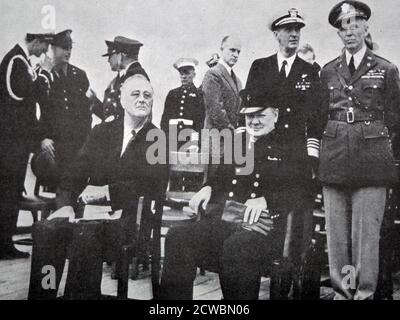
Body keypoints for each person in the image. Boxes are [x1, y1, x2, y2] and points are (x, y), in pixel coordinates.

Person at [159, 89, 309, 300]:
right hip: (226, 223)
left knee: (237, 246)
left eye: (260, 115)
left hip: (265, 231)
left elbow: (304, 190)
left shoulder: (291, 144)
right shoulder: (238, 141)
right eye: (249, 116)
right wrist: (208, 187)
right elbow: (220, 178)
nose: (254, 122)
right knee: (178, 237)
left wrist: (268, 200)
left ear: (275, 115)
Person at [28, 75, 168, 299]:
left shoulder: (157, 138)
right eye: (136, 94)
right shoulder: (102, 132)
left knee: (86, 236)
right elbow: (74, 174)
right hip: (89, 216)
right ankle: (45, 292)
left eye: (147, 95)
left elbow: (152, 183)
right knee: (47, 230)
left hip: (128, 221)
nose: (142, 99)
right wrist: (65, 205)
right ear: (122, 99)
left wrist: (107, 192)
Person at [319, 0, 400, 300]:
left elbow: (395, 120)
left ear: (366, 26)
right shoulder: (327, 72)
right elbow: (318, 118)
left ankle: (364, 294)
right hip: (335, 159)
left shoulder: (386, 69)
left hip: (372, 162)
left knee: (366, 239)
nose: (349, 29)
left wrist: (385, 155)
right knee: (338, 239)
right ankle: (343, 293)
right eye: (343, 25)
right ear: (338, 33)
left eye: (355, 22)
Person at [244, 8, 323, 292]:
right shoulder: (260, 67)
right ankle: (265, 268)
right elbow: (251, 112)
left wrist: (312, 157)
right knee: (264, 209)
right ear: (276, 34)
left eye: (297, 29)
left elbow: (316, 119)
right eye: (288, 29)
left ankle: (289, 275)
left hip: (296, 157)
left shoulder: (310, 71)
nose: (293, 34)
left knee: (295, 219)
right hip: (265, 154)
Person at [0, 31, 54, 259]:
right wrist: (45, 74)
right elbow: (22, 95)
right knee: (7, 194)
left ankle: (4, 244)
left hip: (14, 144)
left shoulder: (20, 61)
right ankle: (3, 246)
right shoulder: (16, 61)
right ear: (36, 41)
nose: (44, 51)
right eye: (44, 45)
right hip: (11, 144)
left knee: (10, 193)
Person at [35, 30, 93, 188]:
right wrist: (41, 138)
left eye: (70, 48)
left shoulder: (79, 75)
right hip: (53, 145)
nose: (68, 52)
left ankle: (72, 208)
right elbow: (32, 111)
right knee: (55, 173)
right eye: (64, 48)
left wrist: (86, 141)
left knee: (81, 176)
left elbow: (86, 113)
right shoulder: (43, 75)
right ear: (52, 48)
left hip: (77, 145)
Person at [91, 36, 149, 122]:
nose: (108, 60)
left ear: (121, 55)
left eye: (111, 56)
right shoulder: (123, 78)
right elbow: (111, 114)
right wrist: (93, 101)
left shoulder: (136, 77)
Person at [202, 35, 243, 157]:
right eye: (232, 50)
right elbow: (216, 110)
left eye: (238, 52)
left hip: (230, 142)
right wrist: (232, 131)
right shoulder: (213, 74)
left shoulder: (238, 80)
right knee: (215, 175)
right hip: (215, 141)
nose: (235, 54)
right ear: (222, 49)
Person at [160, 58, 205, 150]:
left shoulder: (199, 95)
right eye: (181, 73)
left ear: (194, 75)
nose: (184, 76)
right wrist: (165, 138)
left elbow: (200, 122)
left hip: (189, 140)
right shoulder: (172, 94)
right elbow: (165, 119)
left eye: (187, 73)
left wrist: (195, 142)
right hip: (171, 139)